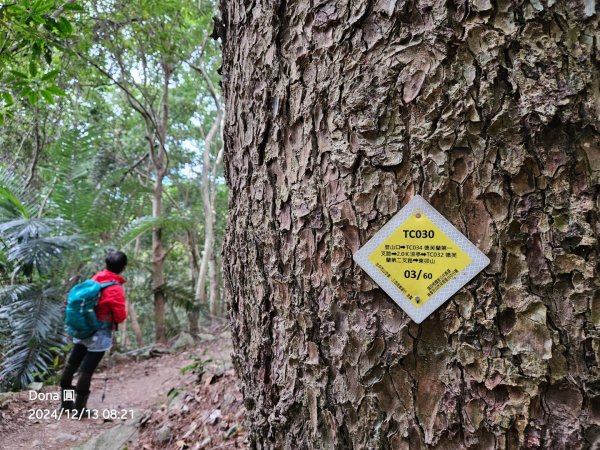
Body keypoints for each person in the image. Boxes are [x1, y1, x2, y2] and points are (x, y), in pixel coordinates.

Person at [60, 251, 128, 414]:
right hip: (99, 334)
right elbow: (120, 316)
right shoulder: (115, 288)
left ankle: (66, 405)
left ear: (106, 264)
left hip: (82, 329)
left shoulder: (95, 278)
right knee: (86, 371)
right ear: (123, 268)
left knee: (71, 366)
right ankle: (79, 409)